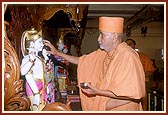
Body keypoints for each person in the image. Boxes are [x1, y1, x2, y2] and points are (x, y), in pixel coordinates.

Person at [44, 17, 145, 111]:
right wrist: (58, 53)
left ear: (114, 37)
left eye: (102, 35)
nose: (98, 39)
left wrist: (98, 93)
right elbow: (82, 61)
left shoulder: (128, 56)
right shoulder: (104, 53)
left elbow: (131, 96)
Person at [20, 28, 56, 111]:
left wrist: (46, 58)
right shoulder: (28, 58)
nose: (42, 45)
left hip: (42, 85)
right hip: (34, 88)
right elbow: (23, 72)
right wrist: (36, 93)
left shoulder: (39, 58)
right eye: (40, 42)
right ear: (32, 43)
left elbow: (43, 71)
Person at [125, 38, 156, 110]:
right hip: (126, 85)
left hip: (141, 85)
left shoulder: (143, 57)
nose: (128, 46)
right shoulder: (121, 57)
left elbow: (150, 70)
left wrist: (140, 77)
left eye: (130, 44)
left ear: (135, 46)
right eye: (126, 45)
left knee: (142, 105)